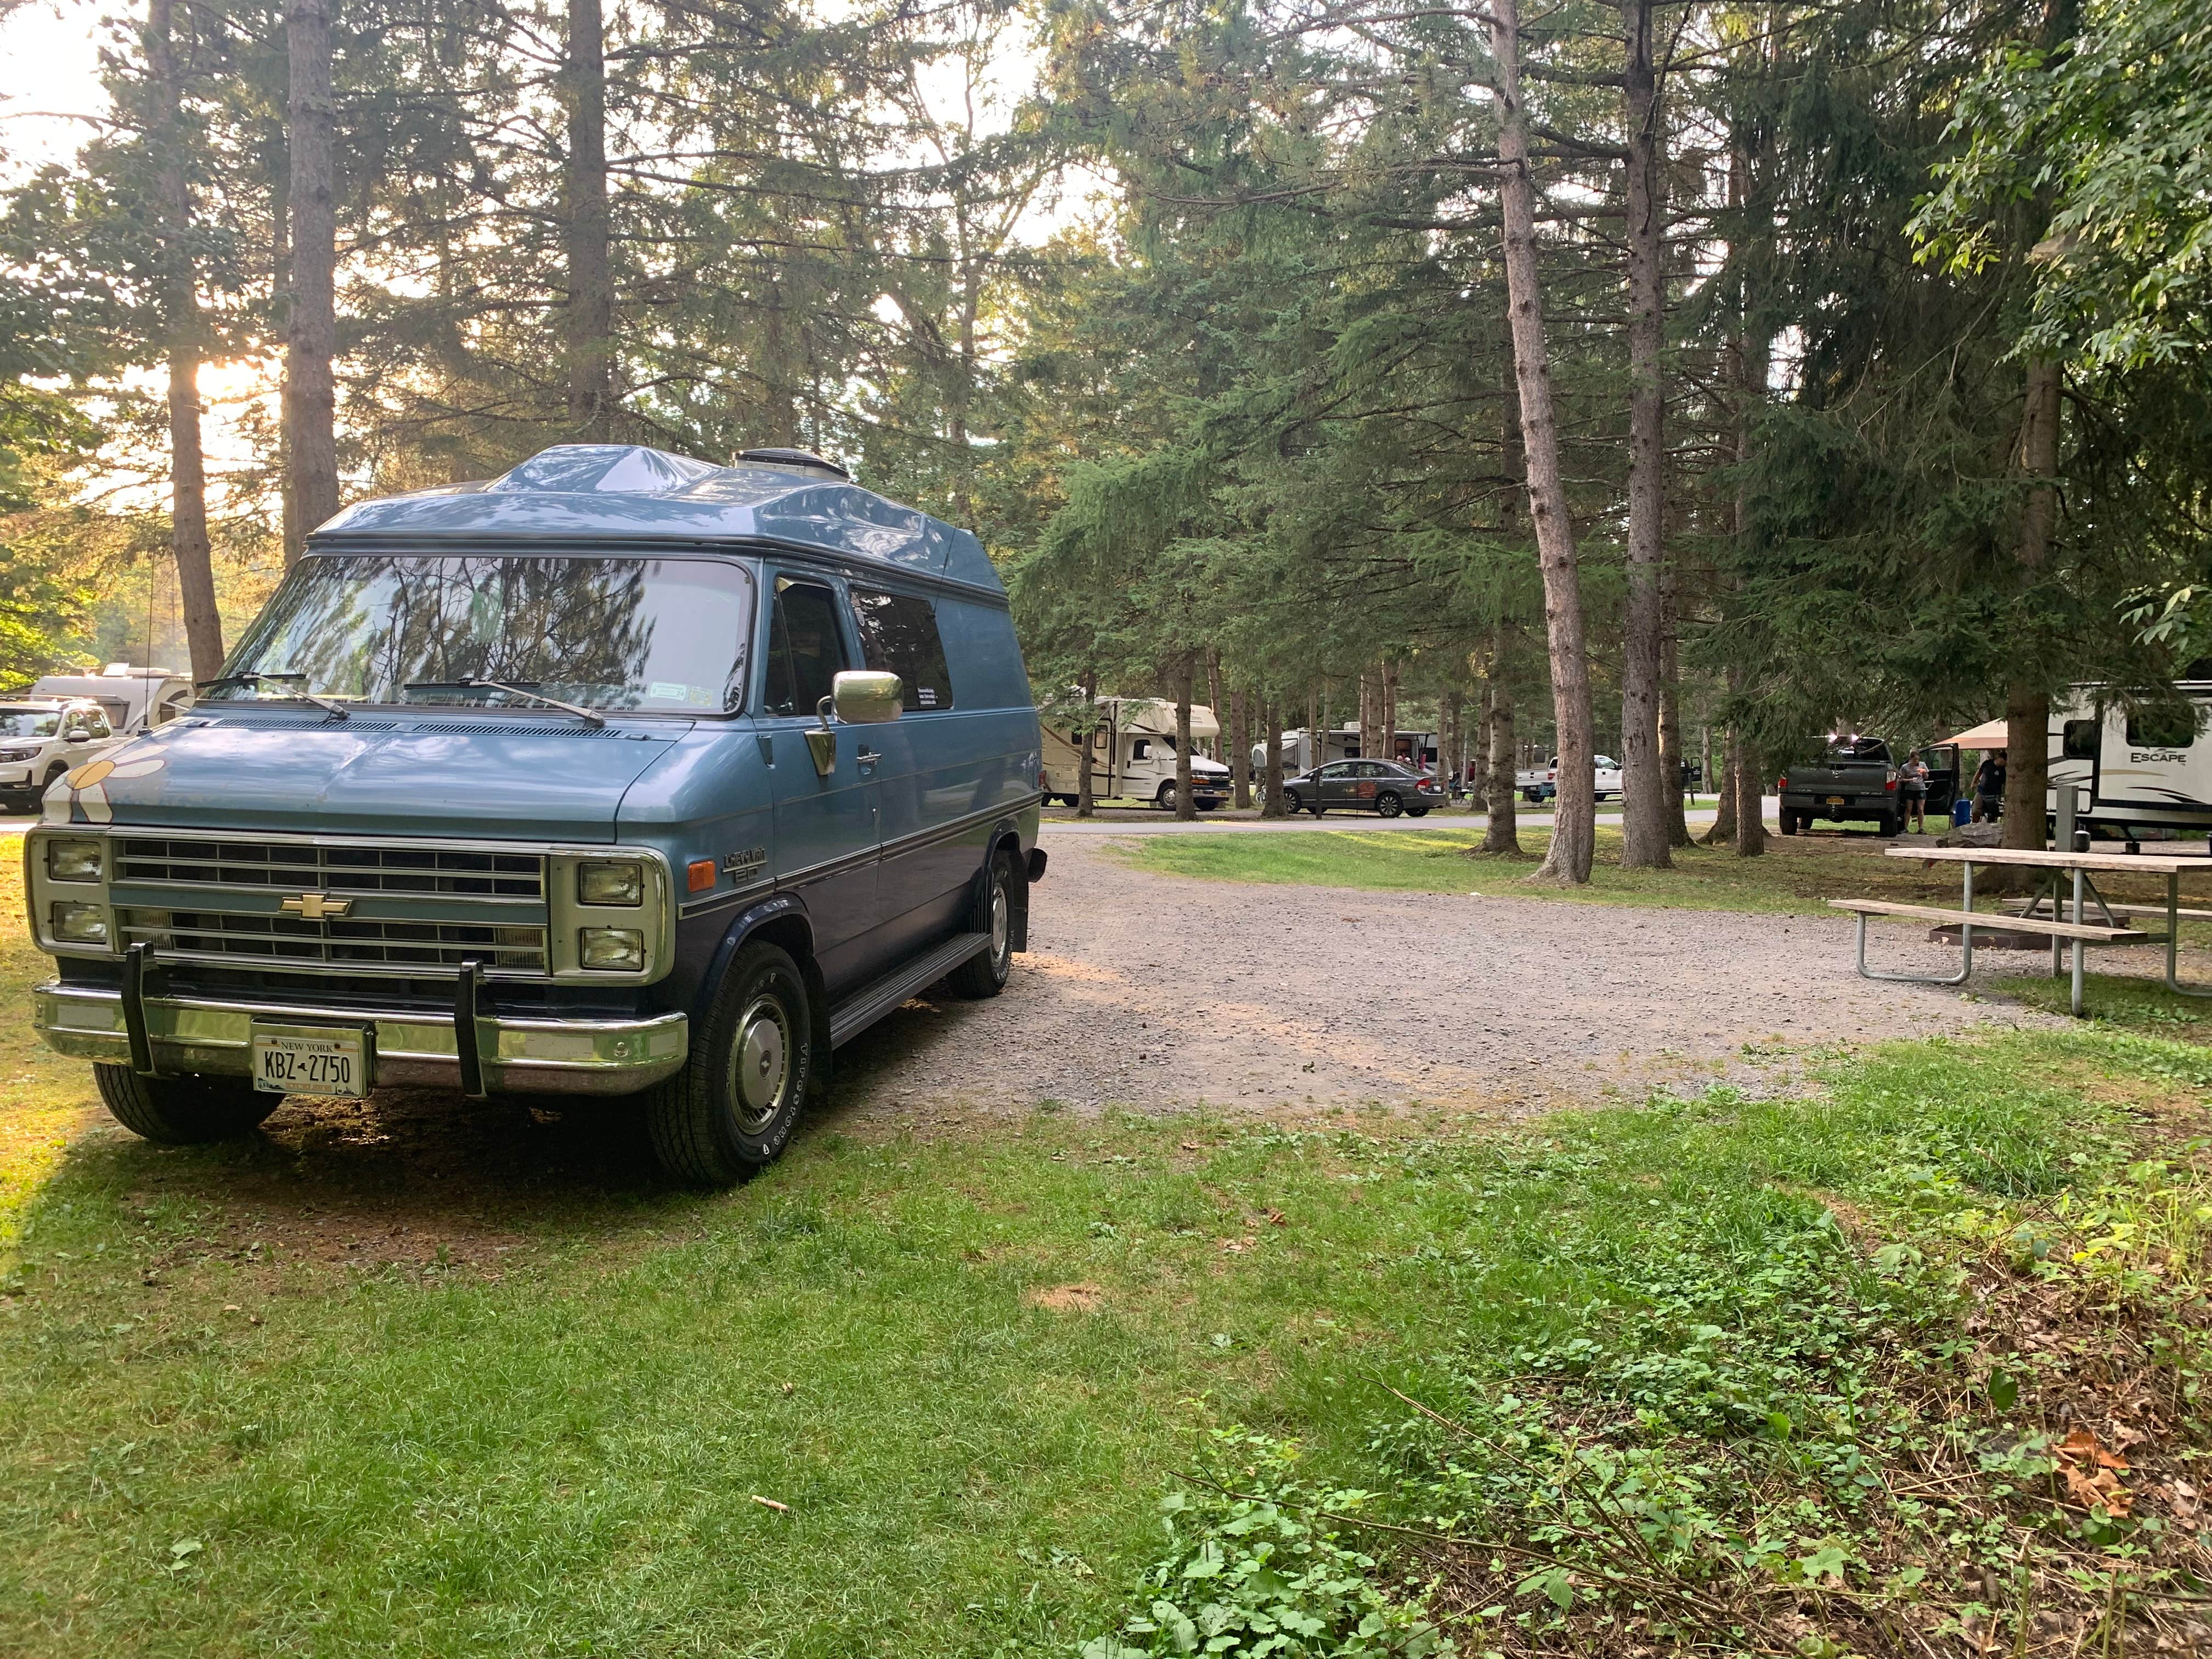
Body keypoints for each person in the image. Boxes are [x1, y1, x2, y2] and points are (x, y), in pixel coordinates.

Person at [1972, 748, 2006, 823]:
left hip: (1994, 794)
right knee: (1976, 811)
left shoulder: (2004, 770)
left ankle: (1991, 826)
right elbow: (1979, 773)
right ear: (1999, 758)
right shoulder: (1987, 764)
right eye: (2001, 762)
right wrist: (1974, 782)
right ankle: (1974, 825)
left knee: (1992, 813)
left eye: (2004, 763)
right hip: (1981, 792)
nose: (2001, 764)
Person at [1899, 753, 1929, 833]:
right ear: (1911, 759)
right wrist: (1909, 780)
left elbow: (1926, 777)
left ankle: (1921, 828)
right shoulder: (1905, 767)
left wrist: (1924, 773)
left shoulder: (1922, 765)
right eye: (1915, 760)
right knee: (1909, 809)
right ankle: (1905, 828)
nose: (1917, 761)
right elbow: (1901, 779)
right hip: (1910, 789)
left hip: (1920, 789)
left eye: (1918, 759)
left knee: (1921, 809)